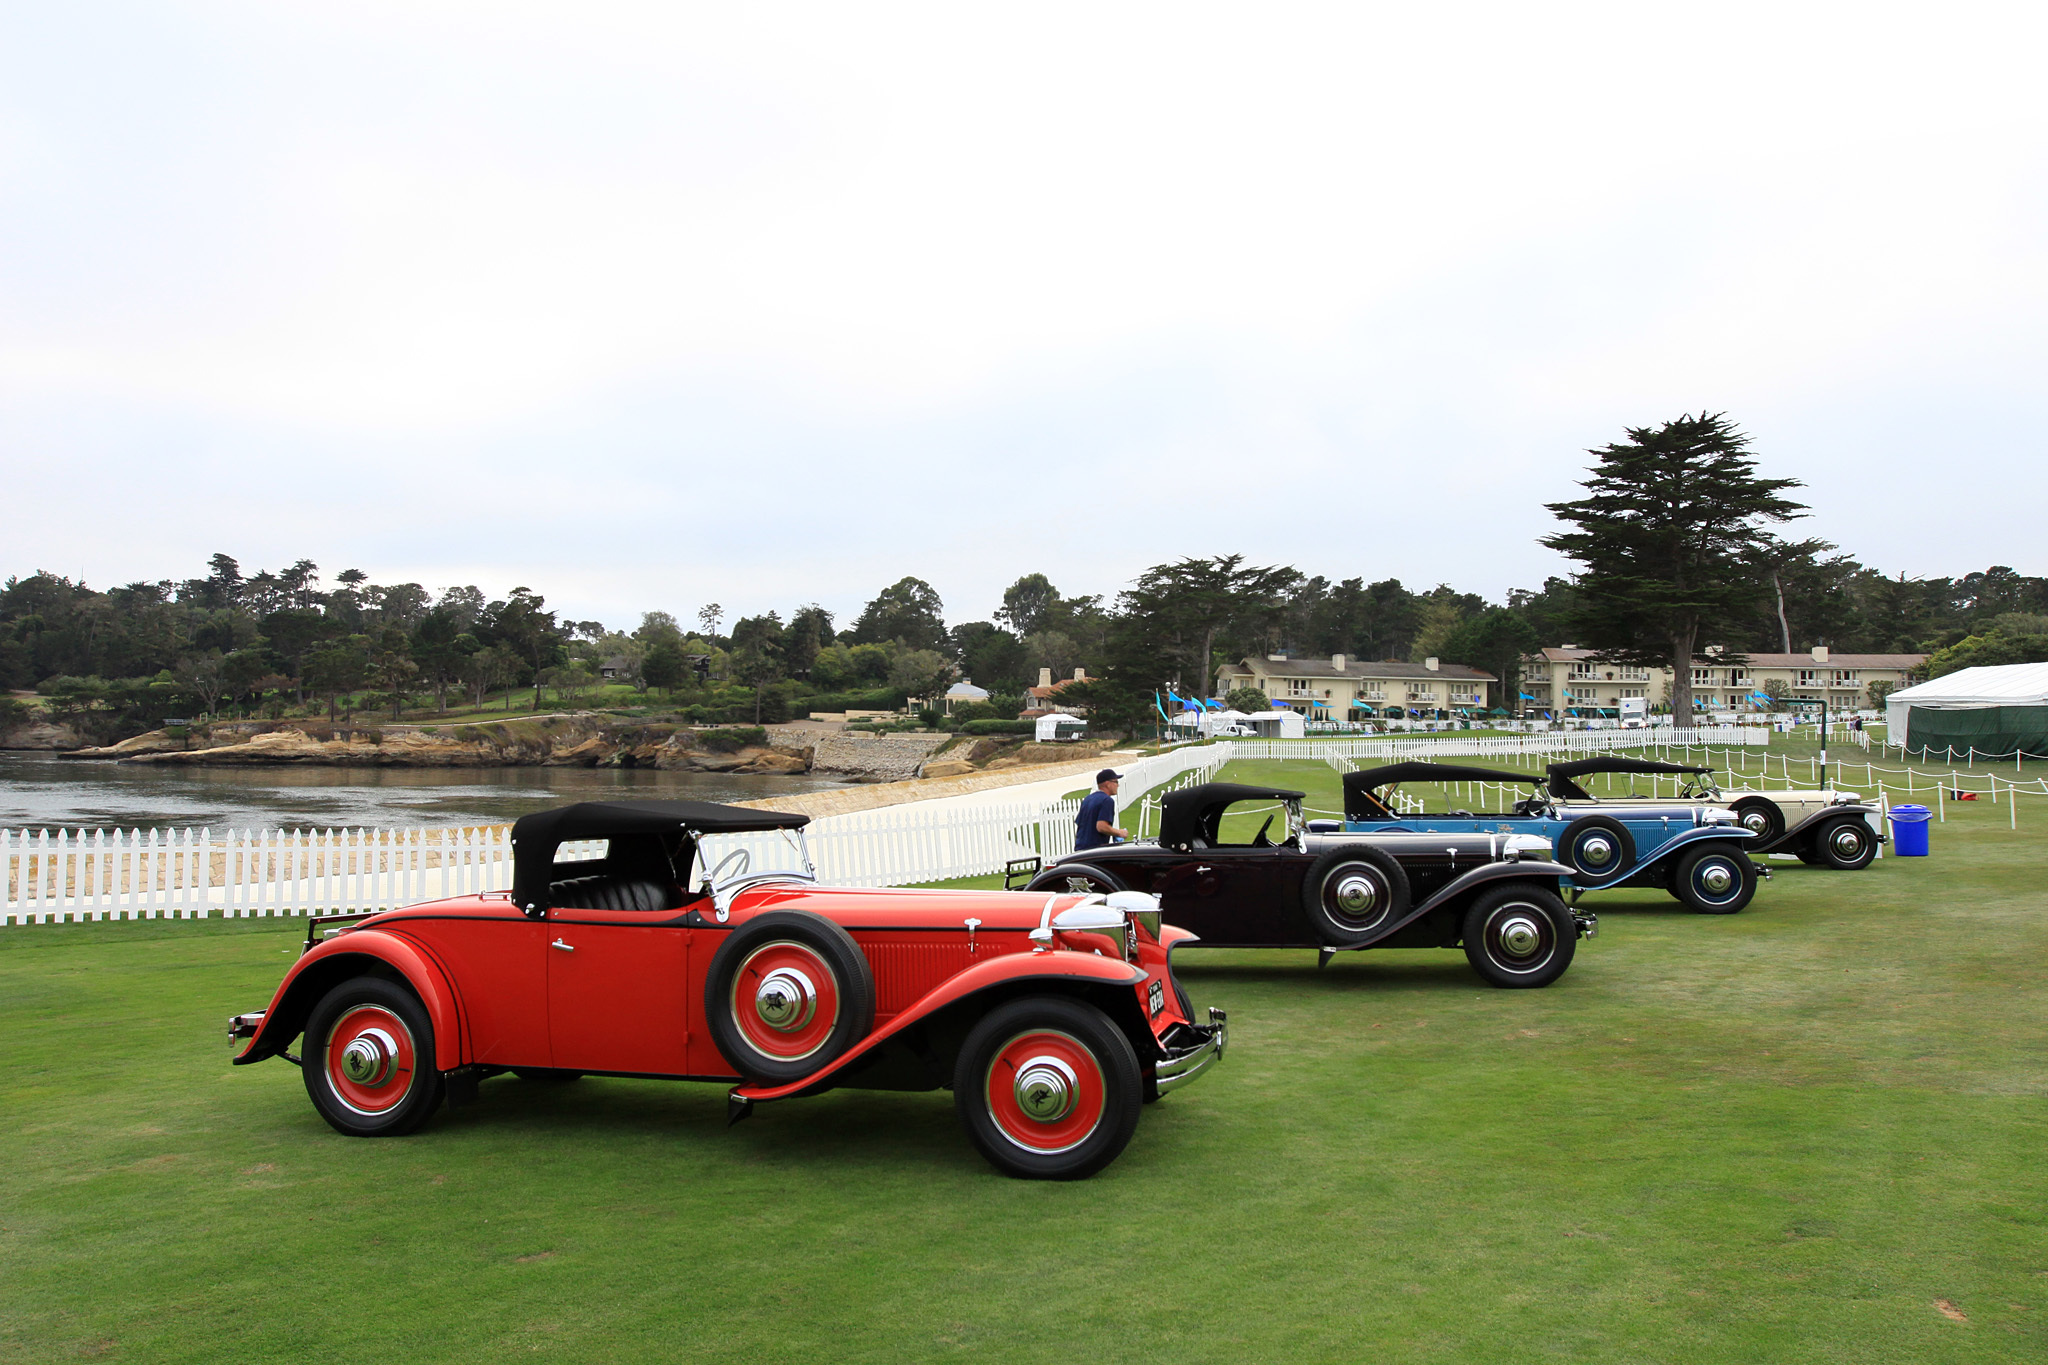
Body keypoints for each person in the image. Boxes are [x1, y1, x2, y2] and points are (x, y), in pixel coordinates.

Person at [1074, 769, 1129, 851]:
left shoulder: (1087, 799)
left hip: (1080, 850)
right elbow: (1101, 827)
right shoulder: (1107, 800)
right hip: (1094, 851)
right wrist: (1119, 833)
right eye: (1116, 782)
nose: (1118, 785)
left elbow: (1080, 824)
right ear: (1108, 784)